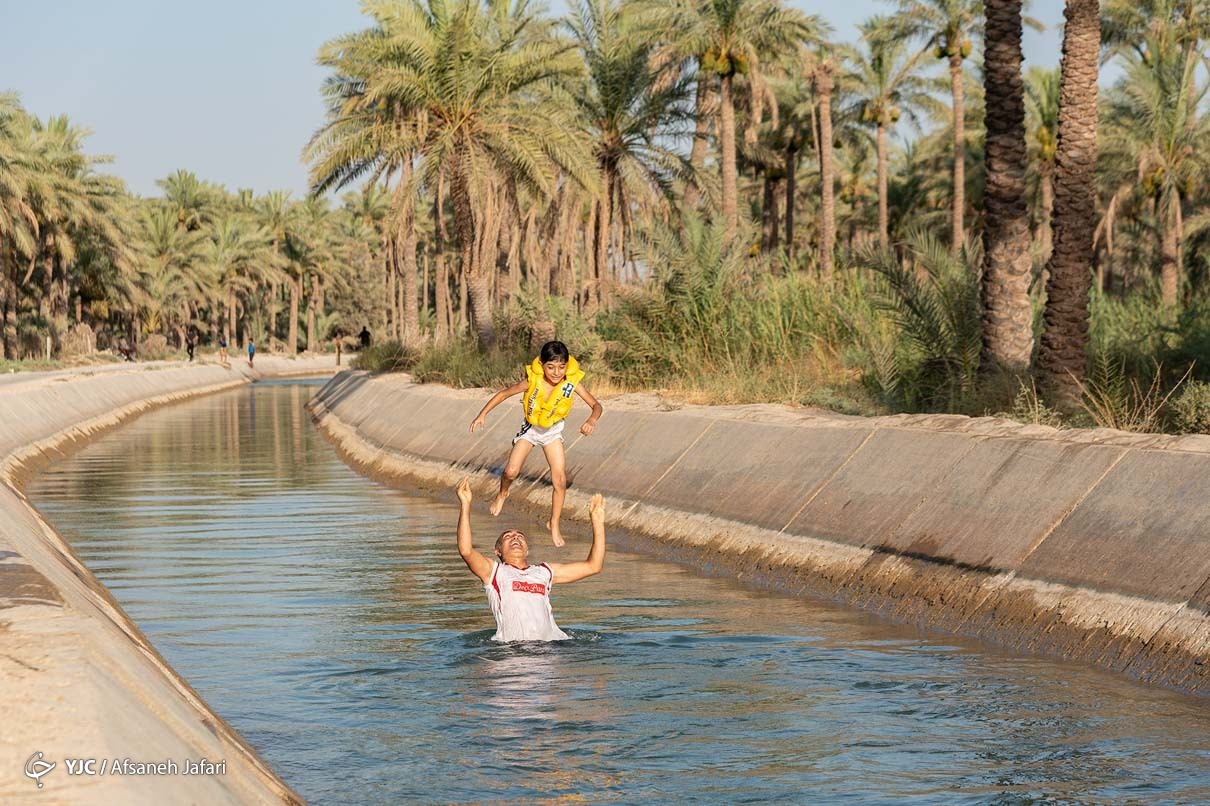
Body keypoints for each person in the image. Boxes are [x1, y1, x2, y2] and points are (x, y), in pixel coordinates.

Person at [470, 340, 603, 547]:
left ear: (567, 365)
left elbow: (596, 405)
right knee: (511, 471)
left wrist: (592, 420)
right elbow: (505, 393)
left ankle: (554, 523)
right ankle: (503, 493)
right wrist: (482, 414)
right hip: (531, 429)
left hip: (552, 432)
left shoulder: (572, 383)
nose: (556, 372)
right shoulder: (532, 380)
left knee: (559, 480)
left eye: (561, 367)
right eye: (551, 367)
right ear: (542, 365)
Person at [455, 478, 605, 642]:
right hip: (513, 654)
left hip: (550, 651)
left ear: (527, 550)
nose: (515, 538)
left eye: (520, 536)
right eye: (508, 536)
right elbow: (466, 550)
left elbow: (593, 566)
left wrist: (597, 523)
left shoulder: (544, 572)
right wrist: (465, 504)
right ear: (498, 551)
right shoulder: (495, 573)